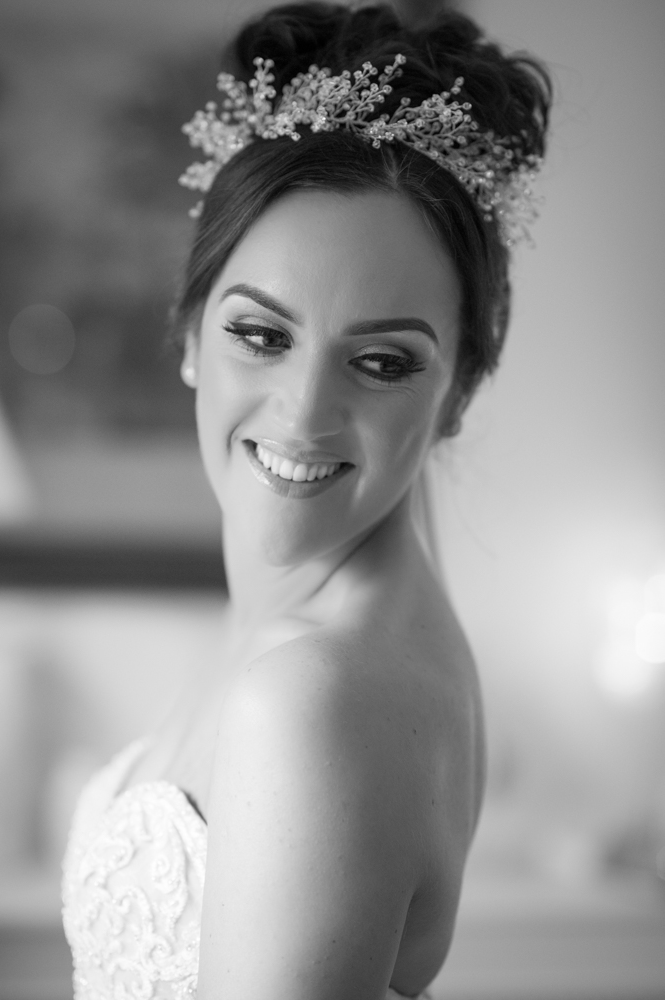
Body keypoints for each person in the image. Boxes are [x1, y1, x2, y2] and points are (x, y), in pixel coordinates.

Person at [61, 3, 551, 997]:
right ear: (191, 332)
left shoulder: (311, 699)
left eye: (378, 360)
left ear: (455, 391)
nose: (302, 414)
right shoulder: (352, 626)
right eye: (262, 335)